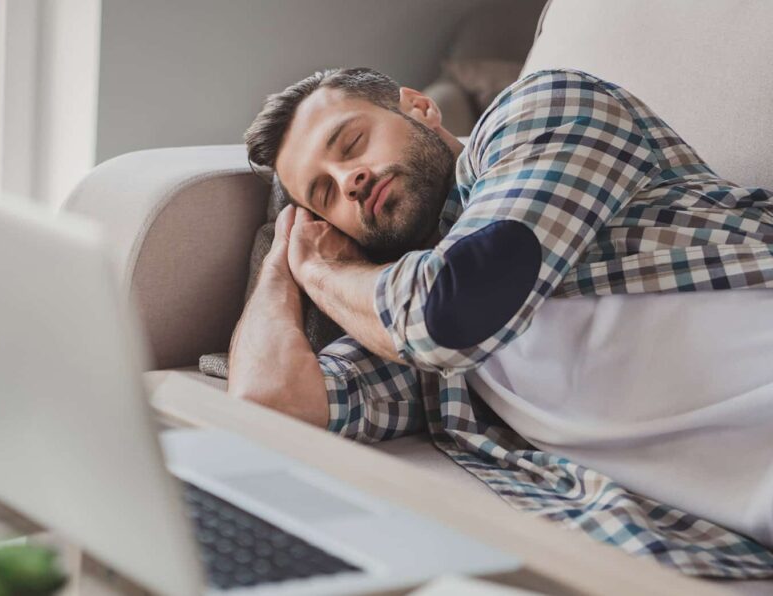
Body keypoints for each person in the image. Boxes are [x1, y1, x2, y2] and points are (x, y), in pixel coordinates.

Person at [228, 66, 773, 555]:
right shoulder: (395, 326)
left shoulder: (543, 109)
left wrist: (324, 272)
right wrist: (283, 265)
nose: (350, 180)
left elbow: (455, 308)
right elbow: (268, 401)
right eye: (323, 195)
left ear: (417, 106)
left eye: (351, 143)